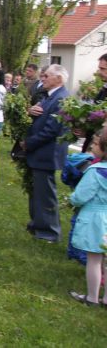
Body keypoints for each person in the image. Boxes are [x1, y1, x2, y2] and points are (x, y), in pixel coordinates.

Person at [23, 64, 70, 243]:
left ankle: (50, 231)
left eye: (47, 76)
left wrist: (28, 143)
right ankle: (37, 224)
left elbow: (51, 130)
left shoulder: (61, 99)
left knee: (46, 194)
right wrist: (30, 111)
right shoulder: (49, 96)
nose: (42, 79)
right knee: (37, 192)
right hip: (39, 152)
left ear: (59, 79)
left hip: (47, 153)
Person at [68, 129, 107, 308]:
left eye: (96, 144)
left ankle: (92, 297)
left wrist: (72, 200)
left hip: (96, 219)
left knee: (94, 259)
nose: (92, 146)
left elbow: (80, 196)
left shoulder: (96, 171)